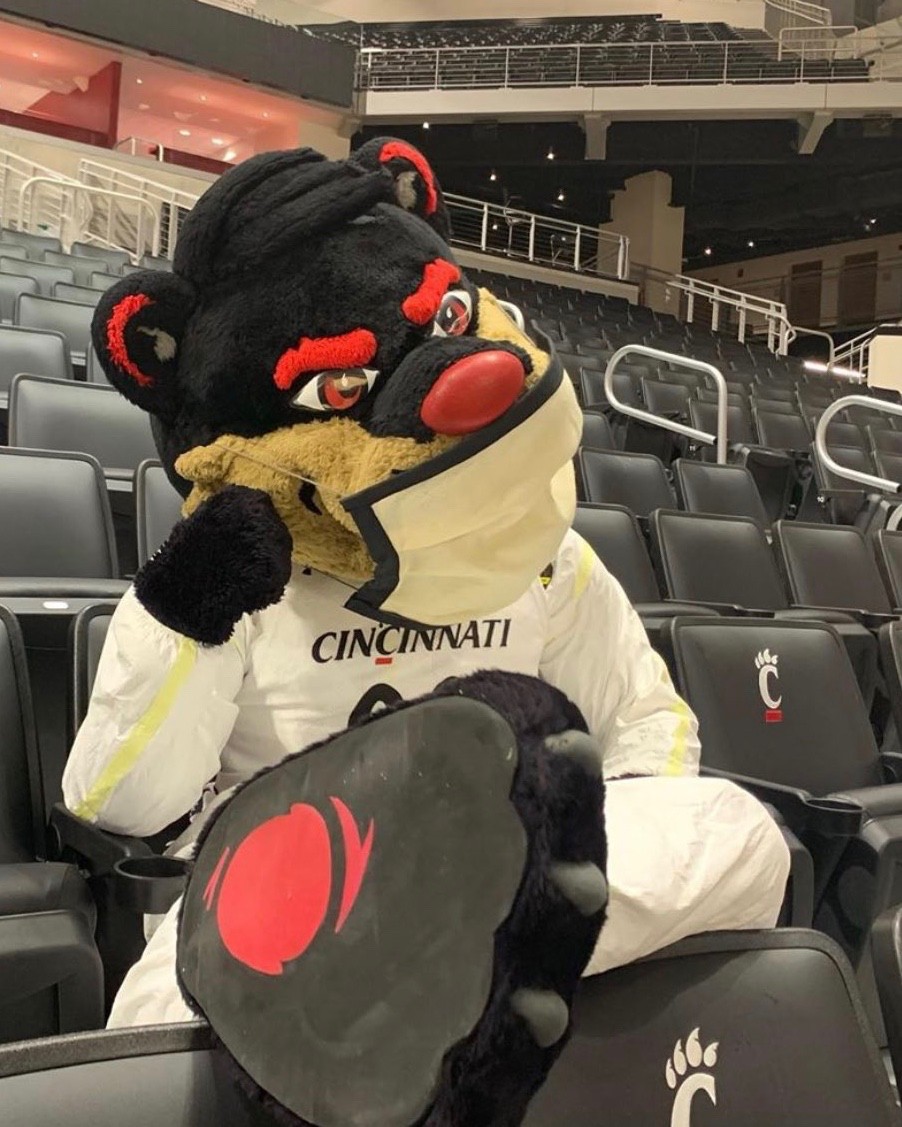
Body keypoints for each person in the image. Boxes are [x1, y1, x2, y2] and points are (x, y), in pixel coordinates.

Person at [63, 526, 790, 1027]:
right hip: (292, 880)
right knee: (163, 1017)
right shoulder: (242, 555)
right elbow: (117, 802)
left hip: (502, 865)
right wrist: (183, 611)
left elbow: (645, 718)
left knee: (741, 830)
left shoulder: (541, 550)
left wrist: (595, 823)